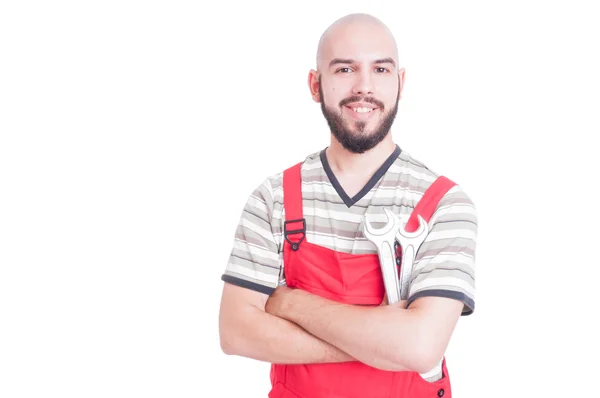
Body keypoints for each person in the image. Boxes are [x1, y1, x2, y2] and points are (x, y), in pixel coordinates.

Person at [218, 12, 478, 398]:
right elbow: (236, 331)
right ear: (315, 84)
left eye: (381, 69)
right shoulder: (273, 198)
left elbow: (420, 348)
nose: (364, 87)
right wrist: (383, 342)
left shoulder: (444, 204)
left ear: (400, 83)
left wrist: (290, 302)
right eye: (344, 69)